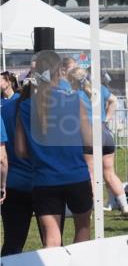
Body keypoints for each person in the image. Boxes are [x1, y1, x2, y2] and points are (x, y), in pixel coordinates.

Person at [14, 52, 93, 247]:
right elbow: (89, 140)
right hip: (76, 175)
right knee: (82, 229)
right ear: (60, 71)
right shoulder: (75, 100)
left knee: (51, 237)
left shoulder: (24, 105)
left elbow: (21, 150)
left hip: (44, 179)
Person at [68, 68, 128, 215]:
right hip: (105, 132)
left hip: (89, 134)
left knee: (91, 173)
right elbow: (114, 101)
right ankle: (125, 206)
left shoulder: (74, 95)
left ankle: (95, 207)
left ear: (73, 81)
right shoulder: (100, 89)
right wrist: (106, 118)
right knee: (109, 173)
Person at [1, 81, 33, 255]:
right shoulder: (42, 113)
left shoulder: (4, 110)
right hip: (42, 180)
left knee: (12, 241)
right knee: (52, 242)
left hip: (13, 183)